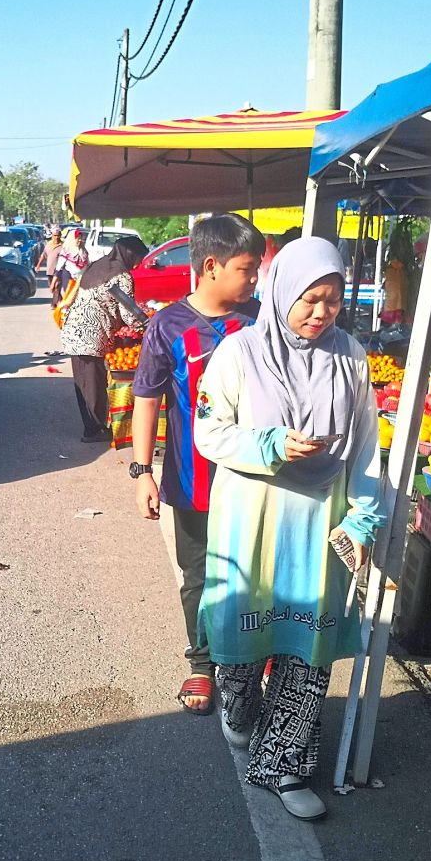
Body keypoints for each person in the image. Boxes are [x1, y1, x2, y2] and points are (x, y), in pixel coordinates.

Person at [193, 237, 385, 821]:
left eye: (333, 300)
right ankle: (240, 711)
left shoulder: (351, 356)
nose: (321, 313)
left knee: (309, 643)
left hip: (319, 520)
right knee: (245, 644)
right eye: (310, 299)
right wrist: (269, 444)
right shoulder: (239, 352)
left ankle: (283, 762)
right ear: (281, 293)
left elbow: (366, 449)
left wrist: (364, 512)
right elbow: (209, 433)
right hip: (252, 519)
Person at [131, 213, 263, 717]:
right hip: (192, 480)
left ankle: (255, 654)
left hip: (255, 477)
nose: (255, 280)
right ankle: (202, 664)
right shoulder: (167, 325)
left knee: (255, 569)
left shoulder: (260, 319)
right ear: (211, 266)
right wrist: (142, 471)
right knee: (200, 574)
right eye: (247, 269)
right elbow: (147, 398)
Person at [59, 236, 148, 442]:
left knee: (83, 382)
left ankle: (91, 426)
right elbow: (129, 314)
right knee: (93, 384)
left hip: (74, 331)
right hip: (90, 335)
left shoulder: (97, 266)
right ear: (129, 254)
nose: (137, 264)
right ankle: (93, 431)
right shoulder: (121, 275)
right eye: (137, 258)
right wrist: (148, 326)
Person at [50, 229, 88, 307]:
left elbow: (87, 266)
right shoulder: (66, 251)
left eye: (81, 238)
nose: (80, 240)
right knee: (69, 299)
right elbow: (58, 269)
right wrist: (53, 283)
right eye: (78, 238)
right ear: (72, 239)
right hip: (69, 279)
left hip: (81, 280)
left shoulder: (84, 251)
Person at [37, 226, 63, 302]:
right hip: (50, 271)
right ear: (52, 236)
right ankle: (60, 301)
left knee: (57, 286)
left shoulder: (63, 246)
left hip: (59, 271)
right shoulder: (48, 245)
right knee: (53, 288)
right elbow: (43, 255)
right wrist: (38, 265)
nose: (57, 237)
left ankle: (54, 304)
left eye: (58, 235)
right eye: (55, 235)